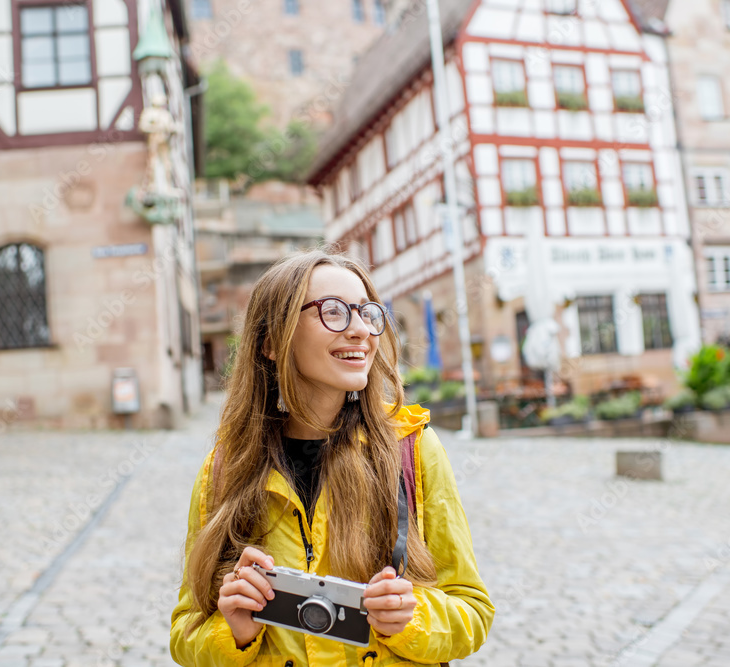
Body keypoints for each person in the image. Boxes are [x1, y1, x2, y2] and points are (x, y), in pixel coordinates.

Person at [170, 249, 493, 666]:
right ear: (271, 341)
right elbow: (185, 633)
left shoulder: (411, 448)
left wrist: (412, 618)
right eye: (334, 312)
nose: (361, 330)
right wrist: (232, 630)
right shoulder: (226, 467)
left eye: (367, 313)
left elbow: (473, 611)